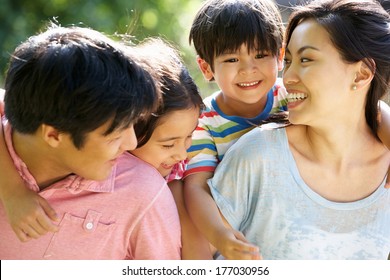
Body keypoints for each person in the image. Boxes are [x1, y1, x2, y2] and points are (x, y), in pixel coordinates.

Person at [208, 0, 390, 259]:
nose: (288, 76)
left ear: (361, 74)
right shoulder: (257, 156)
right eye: (289, 60)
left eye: (306, 59)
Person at [0, 37, 211, 259]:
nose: (132, 143)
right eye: (115, 134)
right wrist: (13, 191)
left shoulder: (146, 191)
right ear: (53, 134)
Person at [183, 0, 288, 260]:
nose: (248, 69)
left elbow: (367, 108)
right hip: (243, 231)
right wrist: (219, 234)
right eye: (231, 59)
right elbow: (196, 187)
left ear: (280, 55)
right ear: (206, 68)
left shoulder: (292, 94)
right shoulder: (203, 122)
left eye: (261, 55)